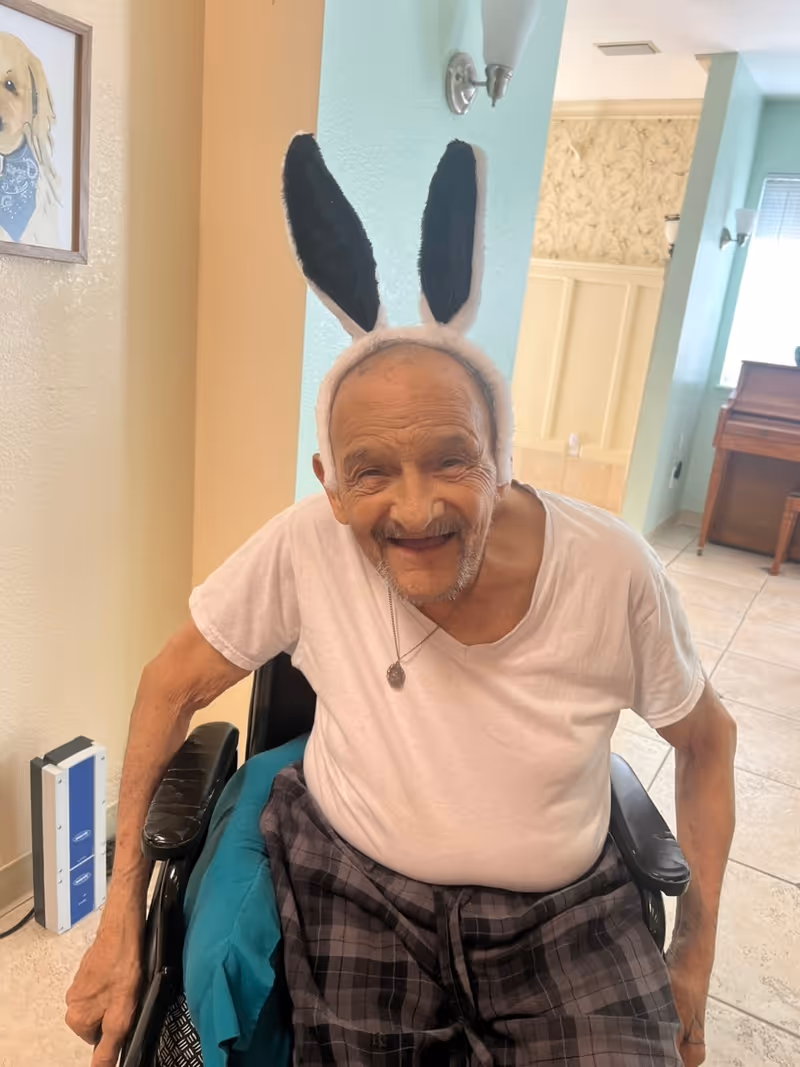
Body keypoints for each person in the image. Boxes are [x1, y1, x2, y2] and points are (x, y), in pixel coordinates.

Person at [66, 138, 736, 1067]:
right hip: (360, 891)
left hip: (563, 920)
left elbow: (708, 741)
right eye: (372, 471)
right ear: (331, 486)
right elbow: (166, 684)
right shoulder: (307, 542)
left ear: (501, 461)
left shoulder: (614, 571)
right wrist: (118, 927)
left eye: (453, 459)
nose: (415, 507)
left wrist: (695, 947)